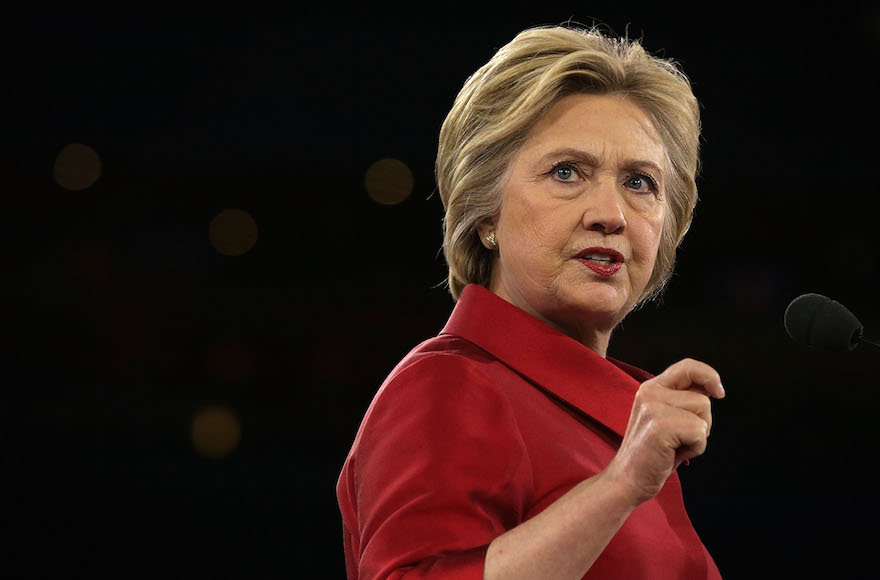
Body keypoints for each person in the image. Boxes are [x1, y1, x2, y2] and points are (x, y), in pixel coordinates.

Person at [337, 24, 725, 579]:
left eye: (640, 182)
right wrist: (620, 486)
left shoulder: (628, 426)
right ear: (485, 212)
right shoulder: (451, 384)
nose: (610, 214)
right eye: (566, 173)